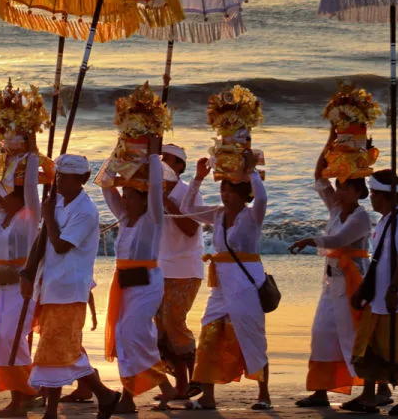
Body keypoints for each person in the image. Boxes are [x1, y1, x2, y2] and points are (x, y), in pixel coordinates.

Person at [21, 153, 120, 419]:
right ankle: (90, 399)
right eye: (59, 176)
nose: (60, 182)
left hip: (69, 287)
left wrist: (48, 215)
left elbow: (62, 245)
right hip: (51, 284)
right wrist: (28, 273)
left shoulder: (86, 211)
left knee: (58, 349)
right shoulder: (59, 202)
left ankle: (100, 395)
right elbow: (42, 240)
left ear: (83, 179)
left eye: (66, 178)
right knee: (58, 348)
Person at [185, 150, 272, 411]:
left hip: (247, 284)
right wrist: (198, 178)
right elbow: (187, 209)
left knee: (251, 336)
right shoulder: (218, 214)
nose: (225, 194)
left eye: (231, 190)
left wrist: (252, 171)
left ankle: (264, 394)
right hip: (221, 285)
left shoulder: (251, 215)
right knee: (209, 333)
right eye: (223, 189)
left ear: (243, 193)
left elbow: (263, 197)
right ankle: (208, 396)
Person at [289, 153, 373, 408]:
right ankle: (320, 390)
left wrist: (310, 240)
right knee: (322, 333)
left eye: (346, 187)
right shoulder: (336, 210)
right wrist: (330, 142)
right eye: (339, 187)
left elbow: (339, 241)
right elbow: (319, 179)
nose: (339, 192)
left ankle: (372, 388)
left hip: (354, 283)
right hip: (331, 283)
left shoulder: (361, 217)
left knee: (355, 337)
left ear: (358, 191)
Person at [344, 170, 398, 416]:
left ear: (384, 196)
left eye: (375, 194)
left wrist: (393, 288)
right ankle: (369, 396)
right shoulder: (385, 221)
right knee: (370, 345)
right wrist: (364, 290)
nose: (372, 199)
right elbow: (380, 261)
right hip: (379, 298)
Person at [100, 139, 169, 413]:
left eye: (129, 196)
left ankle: (156, 387)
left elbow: (155, 191)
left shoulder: (152, 219)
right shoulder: (125, 218)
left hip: (148, 283)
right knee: (124, 335)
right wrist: (119, 151)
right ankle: (138, 395)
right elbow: (106, 185)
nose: (124, 199)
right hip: (125, 284)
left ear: (143, 199)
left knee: (132, 333)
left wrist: (153, 157)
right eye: (124, 195)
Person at [0, 152, 41, 417]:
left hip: (23, 285)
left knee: (12, 336)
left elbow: (30, 186)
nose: (0, 195)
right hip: (2, 288)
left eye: (5, 190)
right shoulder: (2, 215)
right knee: (2, 337)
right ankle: (25, 393)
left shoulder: (29, 215)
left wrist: (30, 152)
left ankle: (22, 398)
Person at [154, 144, 204, 404]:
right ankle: (179, 384)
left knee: (174, 322)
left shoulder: (188, 192)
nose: (161, 161)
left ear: (180, 166)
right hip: (160, 268)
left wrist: (165, 200)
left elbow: (189, 228)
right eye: (159, 157)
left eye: (167, 158)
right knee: (161, 325)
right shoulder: (153, 191)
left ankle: (193, 380)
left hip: (185, 269)